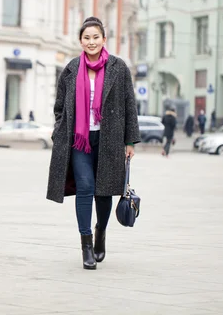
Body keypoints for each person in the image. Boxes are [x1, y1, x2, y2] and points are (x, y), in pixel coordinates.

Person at [46, 17, 140, 270]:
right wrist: (60, 131)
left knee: (104, 191)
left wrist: (130, 140)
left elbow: (130, 105)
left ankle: (101, 232)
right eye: (86, 38)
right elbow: (59, 107)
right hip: (79, 140)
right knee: (86, 188)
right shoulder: (71, 69)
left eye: (95, 37)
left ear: (103, 39)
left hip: (110, 139)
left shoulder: (119, 68)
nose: (91, 42)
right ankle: (86, 245)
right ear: (80, 41)